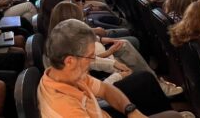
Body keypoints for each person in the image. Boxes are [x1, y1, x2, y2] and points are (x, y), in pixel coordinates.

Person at [40, 19, 186, 118]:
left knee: (144, 79)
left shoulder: (67, 74)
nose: (93, 61)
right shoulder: (66, 109)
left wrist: (130, 110)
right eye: (90, 56)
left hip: (99, 111)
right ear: (70, 61)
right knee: (173, 116)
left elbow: (104, 89)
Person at [48, 2, 183, 97]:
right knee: (143, 78)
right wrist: (117, 73)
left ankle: (156, 84)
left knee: (125, 46)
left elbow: (92, 63)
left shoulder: (67, 53)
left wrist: (112, 63)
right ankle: (155, 87)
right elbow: (94, 95)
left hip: (103, 74)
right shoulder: (66, 89)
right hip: (104, 92)